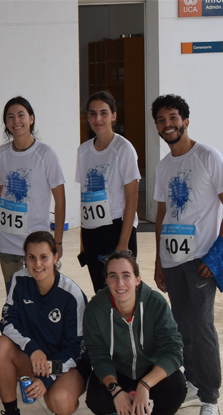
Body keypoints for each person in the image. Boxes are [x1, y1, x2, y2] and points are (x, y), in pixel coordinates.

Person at [151, 94, 223, 415]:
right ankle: (192, 381)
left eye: (173, 117)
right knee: (181, 326)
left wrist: (217, 254)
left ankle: (211, 399)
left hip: (201, 259)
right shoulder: (164, 165)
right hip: (173, 260)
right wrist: (159, 261)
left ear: (185, 120)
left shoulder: (208, 157)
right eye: (161, 120)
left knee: (202, 328)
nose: (167, 124)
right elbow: (161, 214)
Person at [84, 251, 185, 415]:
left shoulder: (155, 304)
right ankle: (116, 412)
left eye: (126, 275)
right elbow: (98, 356)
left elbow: (174, 351)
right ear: (106, 280)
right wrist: (116, 391)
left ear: (137, 279)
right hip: (117, 370)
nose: (120, 283)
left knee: (177, 386)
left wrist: (145, 384)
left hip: (149, 370)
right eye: (113, 276)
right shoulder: (95, 309)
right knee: (96, 398)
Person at [0, 231, 88, 415]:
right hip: (35, 356)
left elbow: (76, 350)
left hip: (66, 364)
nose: (37, 264)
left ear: (55, 257)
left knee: (60, 403)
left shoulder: (72, 295)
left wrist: (47, 377)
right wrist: (32, 348)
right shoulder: (19, 279)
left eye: (44, 257)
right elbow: (7, 321)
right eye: (31, 257)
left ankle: (63, 410)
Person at [0, 97, 66, 293]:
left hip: (38, 241)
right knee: (13, 293)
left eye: (21, 115)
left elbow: (60, 200)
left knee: (41, 294)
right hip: (7, 240)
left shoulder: (46, 153)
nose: (16, 121)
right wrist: (5, 219)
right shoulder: (1, 153)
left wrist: (57, 241)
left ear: (31, 118)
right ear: (6, 123)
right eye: (10, 117)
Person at [76, 91, 140, 291]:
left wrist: (123, 242)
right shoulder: (83, 151)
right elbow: (84, 197)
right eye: (92, 113)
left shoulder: (123, 148)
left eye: (104, 113)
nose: (98, 119)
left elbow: (132, 198)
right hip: (91, 231)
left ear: (114, 115)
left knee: (122, 290)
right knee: (101, 290)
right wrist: (83, 239)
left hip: (117, 227)